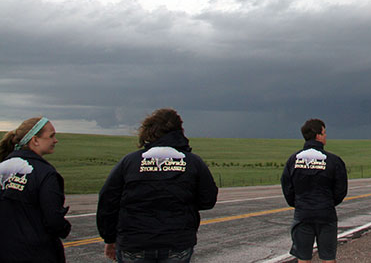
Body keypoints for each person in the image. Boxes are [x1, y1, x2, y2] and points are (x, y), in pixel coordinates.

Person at [96, 108, 218, 263]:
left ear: (149, 131)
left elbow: (107, 200)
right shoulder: (193, 162)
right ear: (180, 131)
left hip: (134, 242)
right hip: (177, 242)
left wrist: (109, 238)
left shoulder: (130, 162)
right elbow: (208, 200)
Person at [0, 116, 71, 263]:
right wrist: (64, 227)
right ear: (35, 140)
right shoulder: (46, 174)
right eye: (51, 136)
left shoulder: (3, 167)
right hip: (36, 253)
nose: (55, 140)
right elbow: (53, 220)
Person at [280, 118, 348, 263]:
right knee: (328, 257)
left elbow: (287, 186)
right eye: (324, 133)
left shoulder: (293, 160)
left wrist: (298, 203)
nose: (325, 136)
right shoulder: (333, 161)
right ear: (318, 135)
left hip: (303, 213)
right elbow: (341, 189)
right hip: (326, 213)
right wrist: (328, 202)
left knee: (303, 257)